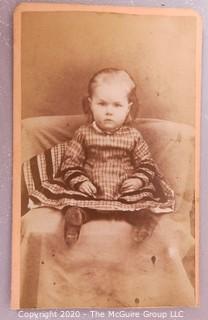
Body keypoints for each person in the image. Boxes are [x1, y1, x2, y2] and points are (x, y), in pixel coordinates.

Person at [23, 68, 175, 246]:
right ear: (90, 104)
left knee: (138, 206)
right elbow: (70, 163)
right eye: (102, 104)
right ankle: (76, 219)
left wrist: (138, 180)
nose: (109, 111)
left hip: (124, 190)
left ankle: (143, 221)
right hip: (91, 188)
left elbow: (147, 164)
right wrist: (80, 181)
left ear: (128, 108)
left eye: (117, 105)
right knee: (76, 202)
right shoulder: (83, 134)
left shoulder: (133, 136)